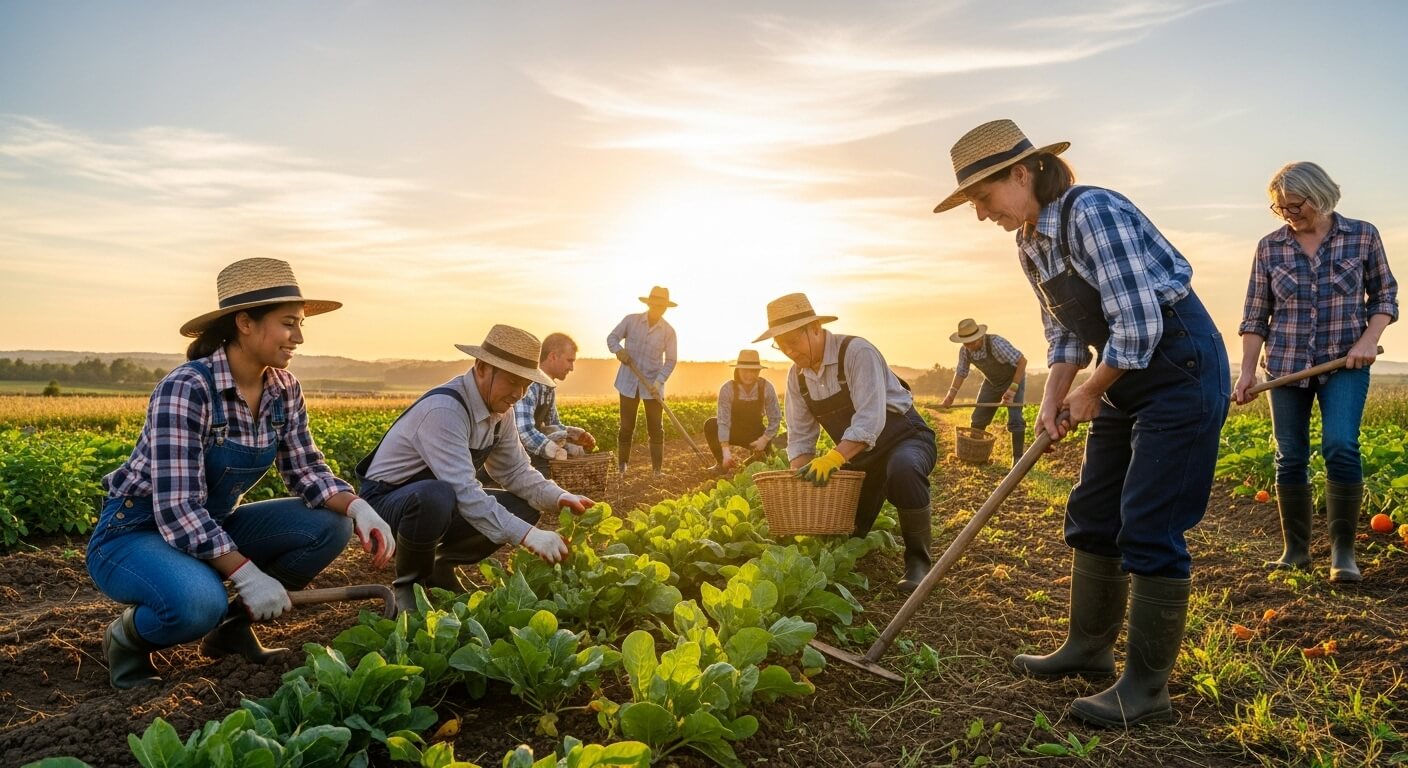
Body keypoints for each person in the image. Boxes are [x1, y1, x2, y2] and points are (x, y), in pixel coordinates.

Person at [934, 119, 1230, 728]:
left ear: (1021, 172)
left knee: (1148, 521)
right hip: (1127, 379)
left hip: (1180, 369)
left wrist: (1093, 390)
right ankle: (1089, 648)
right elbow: (1065, 331)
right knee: (1095, 510)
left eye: (983, 198)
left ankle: (1147, 689)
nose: (981, 214)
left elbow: (1141, 324)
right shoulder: (1029, 240)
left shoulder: (1092, 211)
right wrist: (1054, 397)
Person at [86, 258, 395, 689]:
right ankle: (127, 639)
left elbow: (306, 470)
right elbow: (176, 509)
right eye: (289, 323)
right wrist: (248, 575)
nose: (299, 337)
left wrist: (359, 506)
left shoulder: (283, 389)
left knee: (330, 525)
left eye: (301, 325)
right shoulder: (188, 388)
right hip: (137, 532)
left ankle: (230, 631)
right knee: (198, 604)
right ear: (245, 323)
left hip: (209, 526)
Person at [1234, 161, 1398, 583]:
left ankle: (1343, 553)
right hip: (1285, 367)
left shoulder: (1362, 236)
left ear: (1320, 195)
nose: (1289, 214)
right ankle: (1296, 552)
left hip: (1344, 363)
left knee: (1341, 445)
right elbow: (1255, 317)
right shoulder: (1270, 248)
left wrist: (1367, 339)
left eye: (1295, 204)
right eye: (1280, 208)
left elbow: (1386, 296)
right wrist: (1247, 372)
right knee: (1289, 455)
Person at [357, 324, 590, 611]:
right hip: (385, 505)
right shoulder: (445, 410)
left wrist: (559, 496)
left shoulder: (500, 411)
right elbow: (464, 492)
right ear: (481, 368)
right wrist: (529, 537)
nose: (518, 393)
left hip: (441, 501)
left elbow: (516, 471)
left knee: (524, 505)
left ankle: (442, 565)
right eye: (512, 381)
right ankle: (408, 586)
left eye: (526, 385)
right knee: (436, 495)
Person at [754, 293, 937, 592]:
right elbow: (800, 436)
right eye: (781, 344)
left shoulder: (855, 352)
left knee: (903, 470)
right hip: (860, 455)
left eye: (792, 341)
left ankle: (919, 562)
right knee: (847, 531)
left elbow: (869, 420)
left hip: (905, 438)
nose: (788, 351)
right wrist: (801, 483)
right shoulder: (797, 377)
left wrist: (832, 460)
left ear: (814, 328)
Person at [607, 286, 678, 478]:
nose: (658, 308)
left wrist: (659, 381)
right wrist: (619, 351)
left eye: (662, 306)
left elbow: (671, 360)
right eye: (655, 304)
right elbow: (612, 338)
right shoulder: (631, 320)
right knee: (626, 426)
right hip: (628, 382)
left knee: (656, 428)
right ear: (649, 303)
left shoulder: (668, 331)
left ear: (665, 308)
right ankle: (622, 467)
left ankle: (657, 471)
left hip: (653, 386)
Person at [941, 318, 1029, 465]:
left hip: (1013, 379)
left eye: (971, 342)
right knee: (978, 418)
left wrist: (1013, 389)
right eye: (965, 342)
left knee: (1015, 418)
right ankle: (975, 456)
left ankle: (1018, 459)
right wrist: (951, 395)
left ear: (979, 337)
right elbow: (961, 372)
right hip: (992, 382)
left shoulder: (996, 343)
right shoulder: (965, 351)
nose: (968, 346)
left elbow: (1022, 361)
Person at [513, 332, 597, 478]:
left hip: (529, 455)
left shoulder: (548, 388)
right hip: (513, 459)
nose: (572, 367)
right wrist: (556, 451)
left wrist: (575, 435)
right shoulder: (530, 386)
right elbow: (525, 433)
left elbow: (553, 425)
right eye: (569, 360)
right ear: (553, 356)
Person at [703, 349, 782, 471]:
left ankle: (753, 460)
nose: (749, 375)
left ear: (759, 371)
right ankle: (721, 464)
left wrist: (764, 440)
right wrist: (725, 451)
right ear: (738, 370)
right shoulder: (728, 389)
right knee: (711, 425)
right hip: (734, 430)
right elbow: (723, 421)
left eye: (754, 371)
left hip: (756, 434)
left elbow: (775, 418)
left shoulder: (766, 387)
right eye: (745, 370)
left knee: (766, 464)